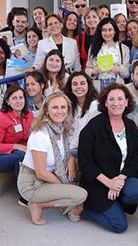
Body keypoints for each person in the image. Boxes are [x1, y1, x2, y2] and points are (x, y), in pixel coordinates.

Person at [78, 83, 138, 233]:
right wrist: (109, 182)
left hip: (121, 178)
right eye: (112, 99)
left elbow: (135, 158)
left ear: (127, 102)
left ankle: (115, 203)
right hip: (98, 181)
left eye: (120, 99)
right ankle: (86, 209)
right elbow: (85, 161)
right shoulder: (93, 126)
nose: (116, 103)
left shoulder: (130, 126)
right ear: (105, 102)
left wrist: (119, 180)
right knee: (119, 226)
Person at [18, 92, 87, 225]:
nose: (60, 111)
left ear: (68, 110)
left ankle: (69, 203)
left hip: (49, 176)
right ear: (47, 111)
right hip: (33, 183)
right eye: (55, 107)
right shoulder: (40, 134)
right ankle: (38, 205)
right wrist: (65, 185)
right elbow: (40, 172)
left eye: (63, 107)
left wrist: (71, 160)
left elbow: (67, 153)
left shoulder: (62, 129)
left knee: (81, 166)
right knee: (81, 195)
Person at [0, 85, 33, 205]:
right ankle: (24, 197)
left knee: (28, 153)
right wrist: (15, 146)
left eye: (21, 97)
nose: (18, 101)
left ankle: (35, 188)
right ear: (8, 101)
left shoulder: (28, 115)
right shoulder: (2, 119)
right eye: (14, 98)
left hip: (16, 151)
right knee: (19, 157)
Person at [86, 18, 130, 89]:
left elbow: (127, 73)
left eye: (110, 30)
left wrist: (118, 68)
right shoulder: (93, 47)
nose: (107, 33)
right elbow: (87, 69)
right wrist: (93, 71)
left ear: (115, 31)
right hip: (98, 86)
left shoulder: (124, 49)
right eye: (104, 30)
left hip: (117, 85)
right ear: (100, 32)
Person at [63, 71, 99, 157]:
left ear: (88, 86)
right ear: (70, 88)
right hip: (69, 148)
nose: (79, 87)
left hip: (87, 150)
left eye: (82, 83)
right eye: (75, 84)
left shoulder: (95, 106)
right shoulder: (68, 106)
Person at [77, 6, 100, 70]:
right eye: (88, 17)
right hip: (84, 76)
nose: (91, 20)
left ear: (99, 19)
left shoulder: (105, 37)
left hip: (102, 75)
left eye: (94, 17)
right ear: (85, 20)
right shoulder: (79, 38)